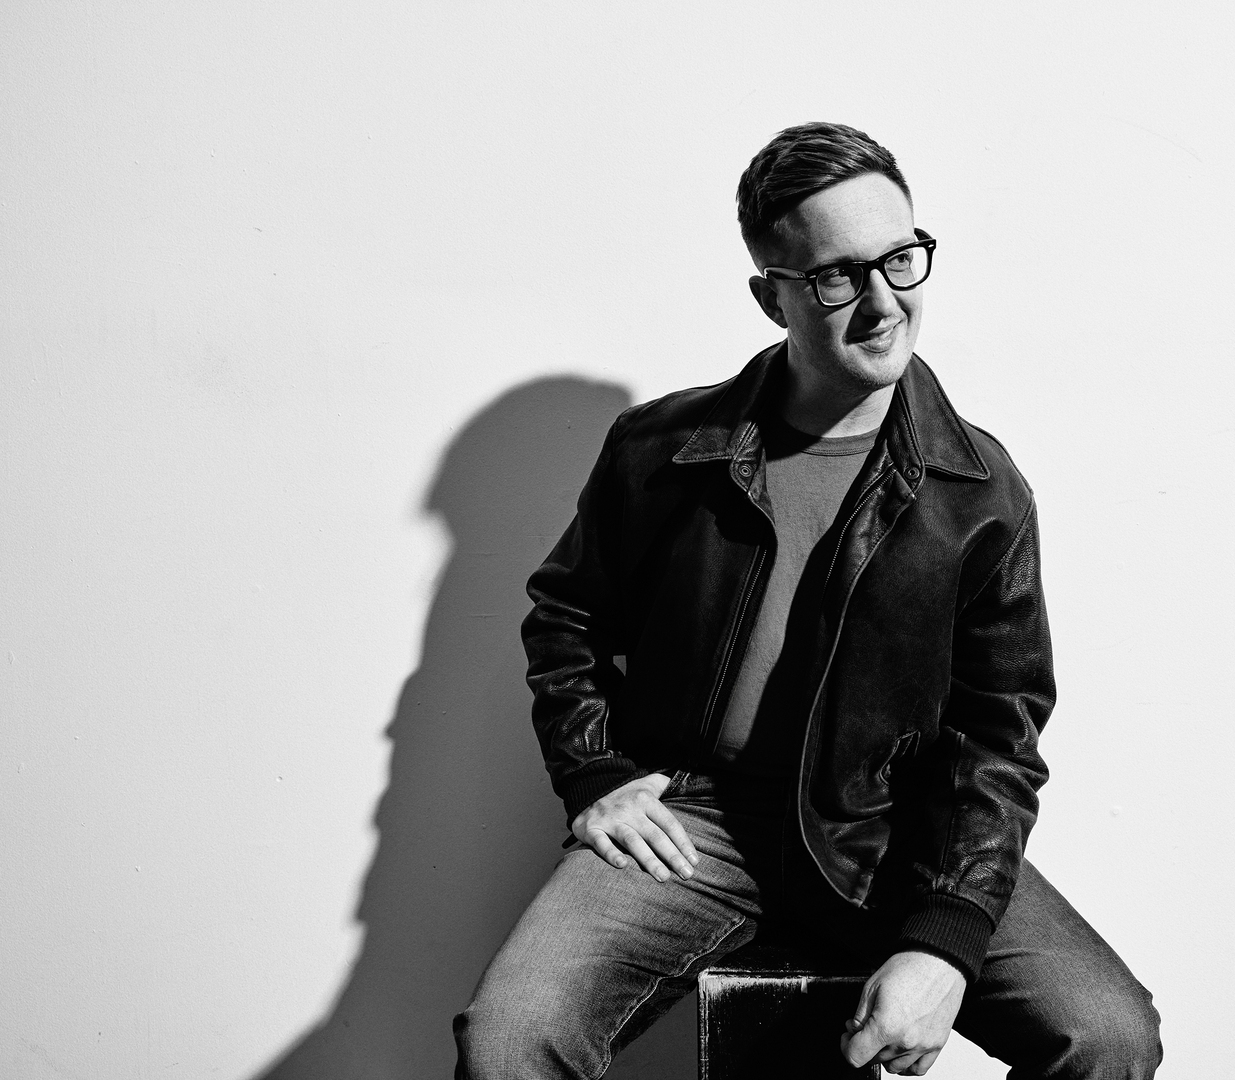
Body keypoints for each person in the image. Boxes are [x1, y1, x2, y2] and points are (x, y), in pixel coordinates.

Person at [454, 122, 1161, 1079]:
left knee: (1107, 1036)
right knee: (508, 1041)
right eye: (837, 276)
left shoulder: (979, 493)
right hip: (694, 822)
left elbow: (996, 739)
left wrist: (943, 939)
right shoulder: (662, 451)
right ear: (771, 296)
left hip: (888, 828)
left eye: (901, 259)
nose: (884, 302)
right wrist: (595, 774)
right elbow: (567, 618)